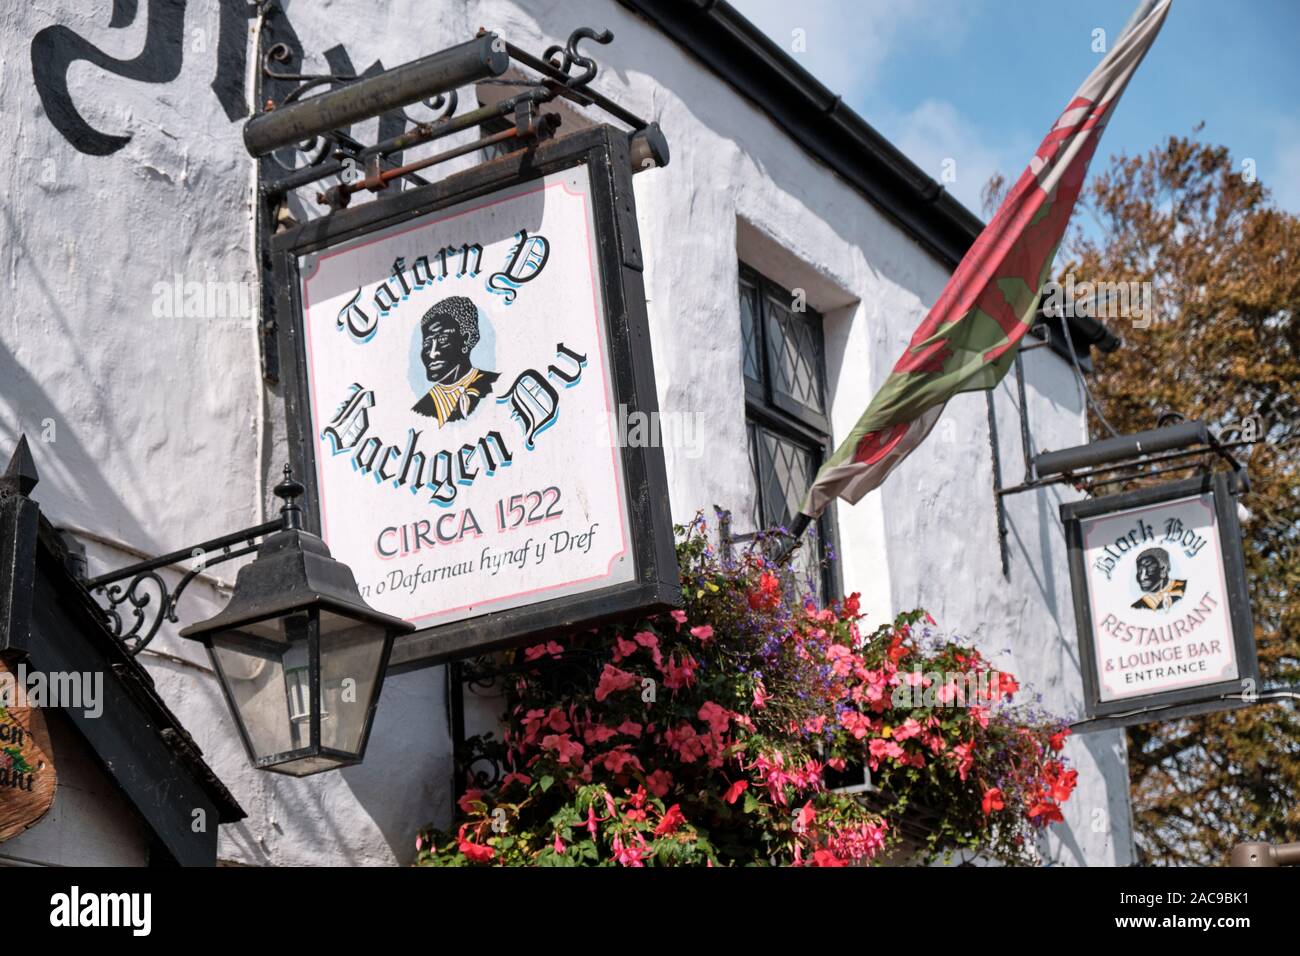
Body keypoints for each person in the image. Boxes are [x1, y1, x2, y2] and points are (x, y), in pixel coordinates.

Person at [411, 296, 499, 427]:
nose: (432, 353)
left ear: (466, 339)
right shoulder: (422, 410)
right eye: (427, 343)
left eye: (442, 340)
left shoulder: (495, 384)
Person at [1131, 547, 1186, 611]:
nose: (1142, 577)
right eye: (1140, 571)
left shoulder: (1185, 587)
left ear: (1163, 570)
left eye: (1149, 569)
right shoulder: (1139, 606)